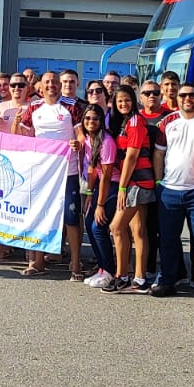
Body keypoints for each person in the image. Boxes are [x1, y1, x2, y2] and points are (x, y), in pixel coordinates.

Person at [22, 71, 76, 277]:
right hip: (41, 170)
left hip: (67, 170)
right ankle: (36, 262)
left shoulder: (72, 107)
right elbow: (24, 136)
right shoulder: (33, 107)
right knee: (37, 213)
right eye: (47, 82)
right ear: (40, 87)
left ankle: (75, 263)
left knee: (70, 217)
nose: (51, 85)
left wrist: (77, 143)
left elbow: (79, 134)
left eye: (55, 81)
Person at [106, 84, 157, 293]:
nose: (123, 104)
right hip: (139, 181)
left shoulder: (135, 122)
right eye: (119, 101)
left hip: (137, 182)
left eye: (127, 100)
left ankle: (122, 275)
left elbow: (132, 156)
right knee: (138, 231)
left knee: (116, 227)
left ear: (133, 100)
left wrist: (123, 187)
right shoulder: (126, 122)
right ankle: (140, 278)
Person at [74, 102, 119, 285]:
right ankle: (101, 268)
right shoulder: (88, 139)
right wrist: (90, 194)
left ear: (101, 121)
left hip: (113, 184)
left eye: (95, 118)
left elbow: (107, 175)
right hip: (99, 183)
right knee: (89, 223)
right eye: (87, 118)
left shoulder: (106, 141)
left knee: (98, 227)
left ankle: (109, 270)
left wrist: (100, 205)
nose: (91, 121)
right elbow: (92, 170)